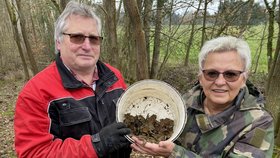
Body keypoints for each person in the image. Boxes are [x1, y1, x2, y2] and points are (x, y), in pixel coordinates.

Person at [14, 1, 132, 158]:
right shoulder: (36, 92)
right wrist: (97, 145)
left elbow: (128, 123)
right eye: (77, 37)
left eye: (94, 38)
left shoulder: (115, 77)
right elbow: (33, 153)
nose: (87, 46)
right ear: (58, 42)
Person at [131, 36, 274, 157]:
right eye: (211, 73)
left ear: (243, 79)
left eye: (231, 74)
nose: (219, 82)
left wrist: (175, 153)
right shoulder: (184, 103)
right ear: (200, 77)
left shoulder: (259, 124)